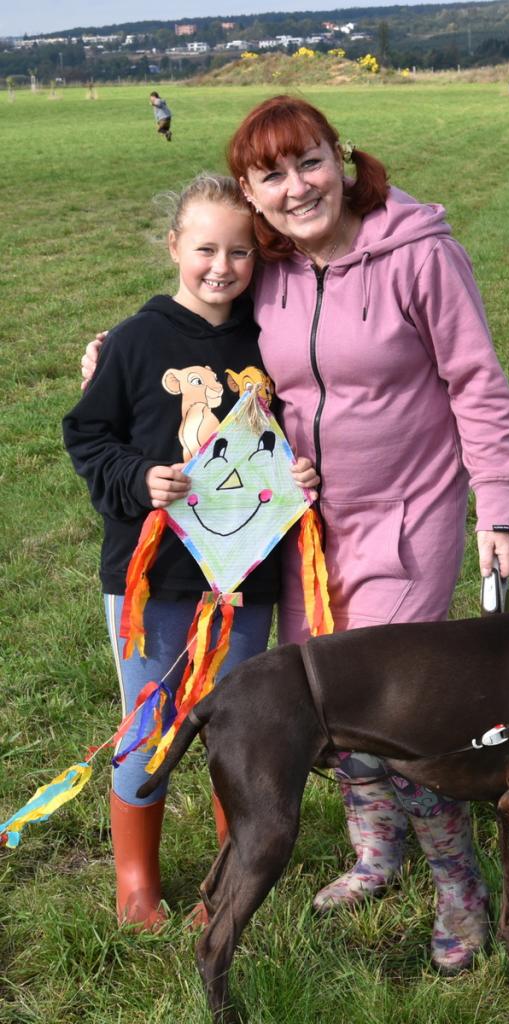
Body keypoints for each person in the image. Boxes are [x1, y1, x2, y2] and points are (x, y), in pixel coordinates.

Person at [81, 96, 509, 972]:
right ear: (252, 195)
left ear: (340, 158)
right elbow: (199, 321)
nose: (296, 188)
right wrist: (117, 352)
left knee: (403, 712)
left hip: (407, 520)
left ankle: (460, 887)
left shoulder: (418, 254)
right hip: (301, 534)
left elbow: (477, 383)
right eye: (271, 177)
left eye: (309, 162)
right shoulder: (272, 268)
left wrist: (498, 506)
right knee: (327, 706)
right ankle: (375, 855)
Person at [65, 172, 318, 931]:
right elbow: (87, 435)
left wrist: (301, 473)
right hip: (153, 583)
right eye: (205, 249)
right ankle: (136, 883)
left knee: (238, 727)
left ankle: (231, 870)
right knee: (150, 728)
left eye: (240, 252)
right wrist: (137, 478)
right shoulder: (135, 341)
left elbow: (288, 434)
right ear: (175, 245)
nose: (221, 266)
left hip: (241, 579)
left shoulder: (266, 340)